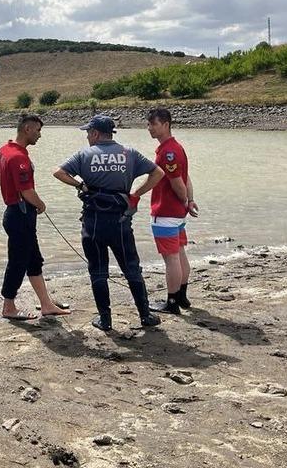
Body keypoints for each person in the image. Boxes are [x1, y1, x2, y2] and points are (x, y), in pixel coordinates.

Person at [53, 114, 164, 331]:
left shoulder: (85, 154)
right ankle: (145, 315)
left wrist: (80, 185)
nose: (87, 137)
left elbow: (58, 172)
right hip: (120, 222)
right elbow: (158, 173)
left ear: (95, 133)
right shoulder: (129, 153)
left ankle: (105, 320)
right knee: (131, 268)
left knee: (98, 270)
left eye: (88, 133)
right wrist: (136, 193)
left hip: (93, 222)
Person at [0, 114, 72, 320]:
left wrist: (11, 192)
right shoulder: (19, 157)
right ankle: (8, 307)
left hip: (15, 213)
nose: (40, 135)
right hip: (20, 215)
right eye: (38, 130)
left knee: (33, 259)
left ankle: (46, 304)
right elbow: (28, 191)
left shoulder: (5, 150)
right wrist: (40, 204)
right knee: (18, 262)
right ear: (27, 129)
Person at [146, 108, 199, 315]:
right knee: (180, 254)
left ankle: (172, 301)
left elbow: (178, 182)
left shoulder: (169, 151)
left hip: (166, 211)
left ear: (166, 124)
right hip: (176, 213)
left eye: (154, 124)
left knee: (171, 259)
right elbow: (186, 176)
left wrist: (185, 200)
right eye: (149, 124)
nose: (150, 128)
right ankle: (182, 295)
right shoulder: (176, 147)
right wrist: (190, 200)